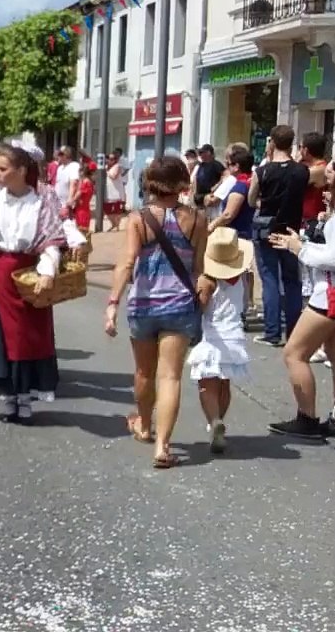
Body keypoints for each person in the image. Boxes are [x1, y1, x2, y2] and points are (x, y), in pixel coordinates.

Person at [106, 156, 208, 469]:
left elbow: (127, 262)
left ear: (150, 182)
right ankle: (163, 446)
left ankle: (144, 426)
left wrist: (112, 303)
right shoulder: (198, 219)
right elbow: (199, 268)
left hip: (144, 304)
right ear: (183, 183)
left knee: (144, 372)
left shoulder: (138, 219)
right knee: (171, 377)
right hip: (179, 304)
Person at [0, 147, 64, 423]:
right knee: (1, 338)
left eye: (2, 169)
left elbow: (50, 243)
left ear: (21, 170)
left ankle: (25, 396)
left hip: (29, 277)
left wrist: (46, 273)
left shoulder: (40, 204)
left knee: (28, 338)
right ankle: (8, 394)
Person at [266, 153, 335, 439]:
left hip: (331, 292)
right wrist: (301, 243)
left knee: (294, 353)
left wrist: (300, 249)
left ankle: (306, 418)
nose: (328, 169)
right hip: (333, 290)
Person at [185, 227, 253, 453]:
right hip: (234, 335)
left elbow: (201, 307)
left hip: (212, 336)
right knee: (224, 384)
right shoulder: (244, 277)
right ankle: (219, 420)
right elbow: (246, 302)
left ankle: (213, 420)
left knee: (206, 384)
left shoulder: (207, 280)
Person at [247, 125, 309, 346]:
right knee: (292, 281)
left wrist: (263, 202)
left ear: (272, 141)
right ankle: (294, 332)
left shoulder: (262, 171)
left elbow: (251, 200)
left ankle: (272, 332)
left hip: (266, 230)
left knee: (270, 279)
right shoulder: (302, 171)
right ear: (292, 143)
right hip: (291, 230)